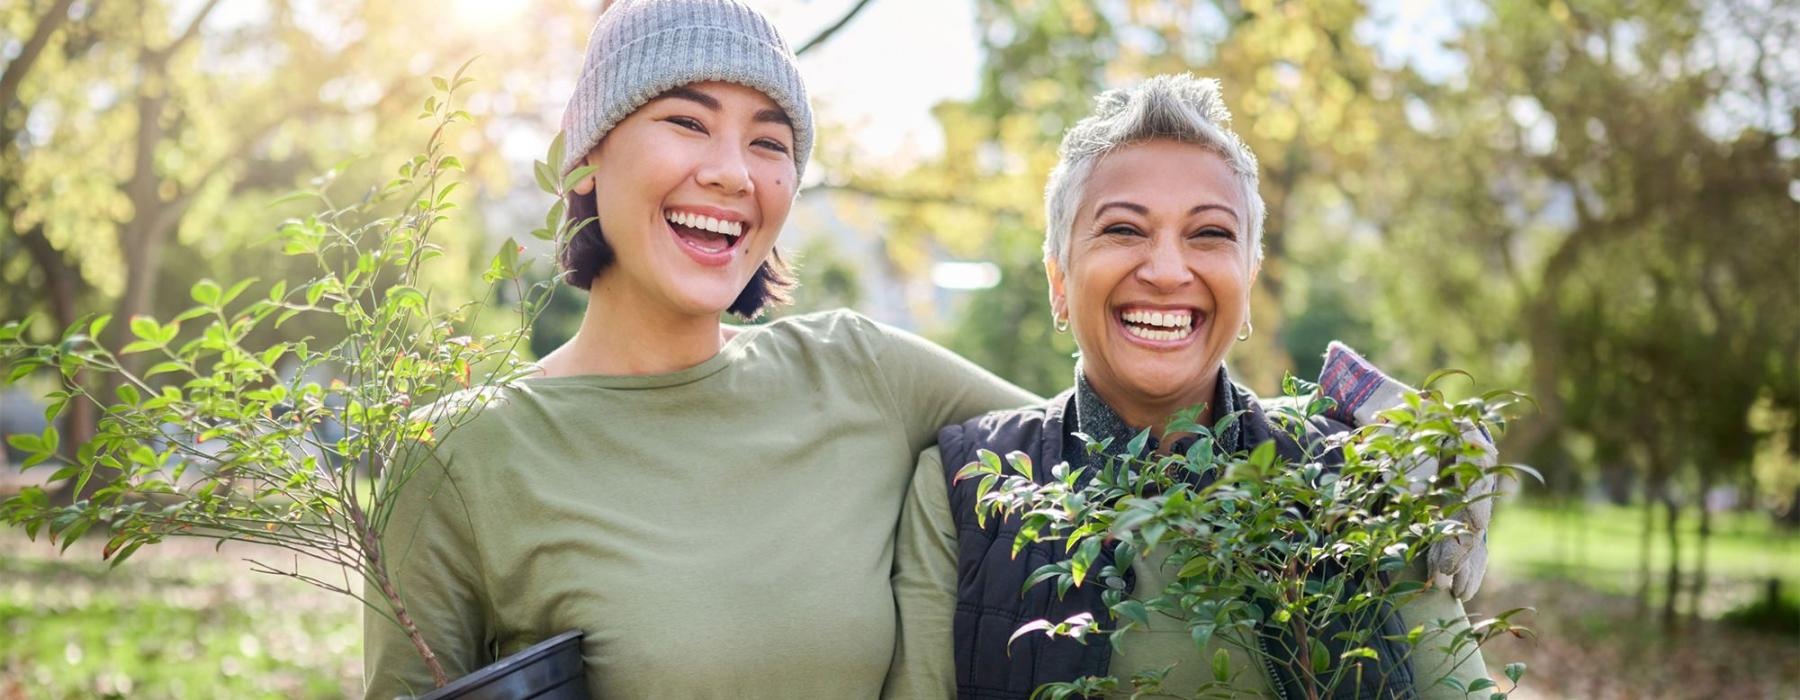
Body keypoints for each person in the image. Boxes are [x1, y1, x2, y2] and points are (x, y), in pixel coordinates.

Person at [360, 1, 1040, 697]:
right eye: (688, 122)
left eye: (769, 143)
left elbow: (1112, 464)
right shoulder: (456, 454)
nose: (733, 173)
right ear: (585, 158)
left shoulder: (865, 373)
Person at [886, 74, 1493, 699]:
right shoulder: (963, 487)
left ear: (1248, 280)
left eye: (1210, 233)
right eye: (1123, 229)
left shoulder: (1354, 472)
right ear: (1059, 280)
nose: (1169, 271)